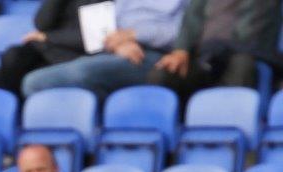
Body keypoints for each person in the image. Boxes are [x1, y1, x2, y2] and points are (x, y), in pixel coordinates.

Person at [20, 0, 185, 100]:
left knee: (79, 72)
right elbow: (108, 25)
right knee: (31, 79)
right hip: (119, 50)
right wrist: (119, 43)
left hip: (158, 56)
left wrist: (136, 35)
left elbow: (185, 34)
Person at [149, 0, 280, 98]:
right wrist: (181, 51)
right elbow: (191, 18)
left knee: (242, 64)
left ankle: (228, 130)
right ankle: (177, 128)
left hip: (238, 55)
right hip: (203, 57)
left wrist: (213, 50)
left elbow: (251, 35)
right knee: (164, 72)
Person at [0, 0, 92, 96]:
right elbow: (41, 24)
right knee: (5, 65)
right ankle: (15, 114)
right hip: (49, 49)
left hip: (77, 55)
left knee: (18, 77)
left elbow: (92, 38)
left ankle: (25, 112)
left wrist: (48, 37)